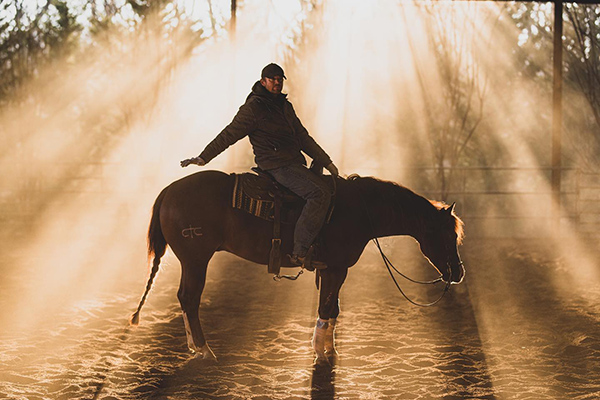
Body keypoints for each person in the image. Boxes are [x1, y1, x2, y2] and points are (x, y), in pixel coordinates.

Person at [181, 63, 339, 267]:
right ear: (263, 81)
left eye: (280, 78)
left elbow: (302, 137)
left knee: (326, 189)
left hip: (292, 163)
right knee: (319, 194)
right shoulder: (254, 108)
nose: (277, 82)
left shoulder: (284, 106)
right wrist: (204, 157)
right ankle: (299, 252)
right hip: (276, 166)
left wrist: (327, 161)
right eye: (272, 79)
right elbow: (230, 133)